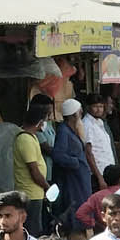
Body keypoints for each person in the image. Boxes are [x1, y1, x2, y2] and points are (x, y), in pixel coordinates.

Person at [50, 99, 93, 231]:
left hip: (79, 178)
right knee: (76, 206)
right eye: (79, 112)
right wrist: (75, 163)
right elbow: (58, 155)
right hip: (72, 180)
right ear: (74, 115)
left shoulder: (71, 129)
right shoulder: (63, 131)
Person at [11, 102, 52, 236]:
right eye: (45, 120)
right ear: (39, 122)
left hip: (36, 192)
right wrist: (47, 187)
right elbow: (34, 170)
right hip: (30, 194)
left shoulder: (32, 137)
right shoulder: (25, 139)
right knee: (32, 231)